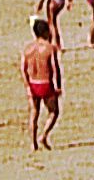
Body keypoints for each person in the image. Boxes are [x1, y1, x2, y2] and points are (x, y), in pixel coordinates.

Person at [21, 17, 63, 150]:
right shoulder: (50, 48)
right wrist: (58, 86)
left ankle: (33, 143)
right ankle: (43, 135)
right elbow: (55, 68)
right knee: (54, 112)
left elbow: (23, 69)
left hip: (33, 83)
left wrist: (27, 85)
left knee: (34, 113)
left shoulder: (28, 49)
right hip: (45, 83)